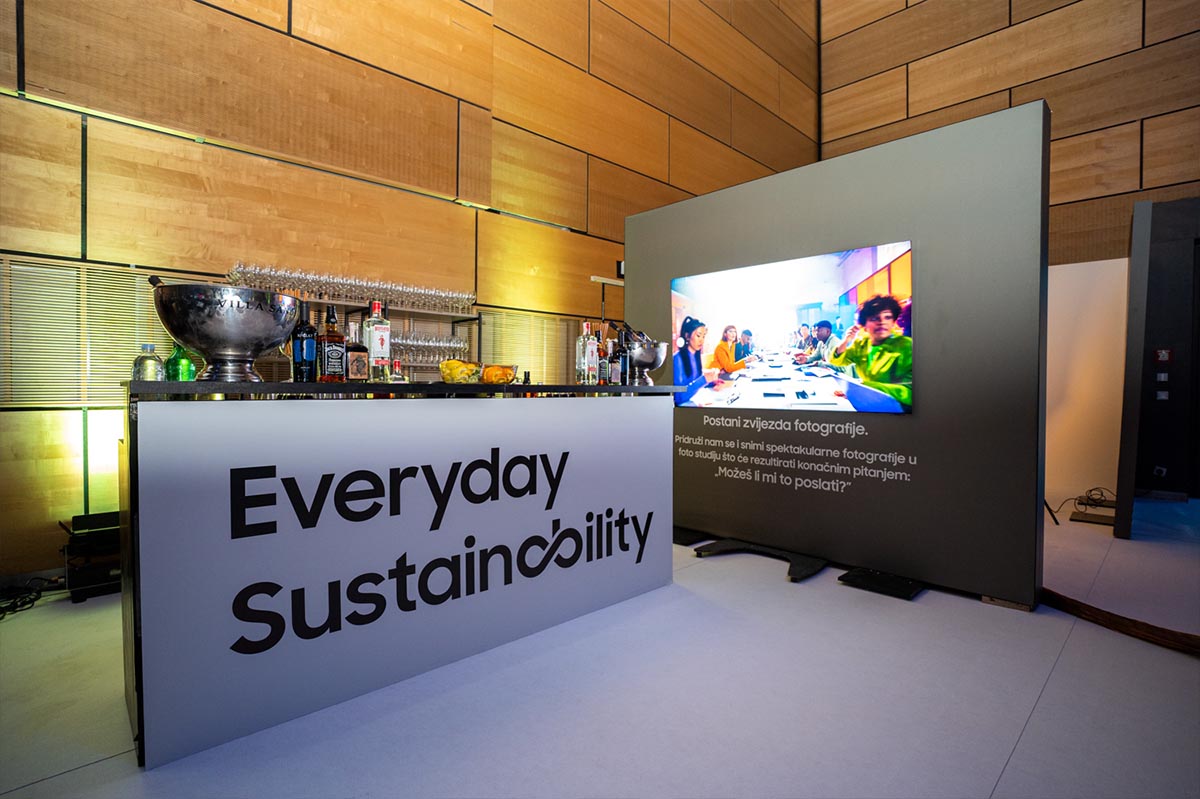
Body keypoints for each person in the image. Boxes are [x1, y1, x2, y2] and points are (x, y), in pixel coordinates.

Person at [829, 295, 913, 410]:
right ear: (864, 325)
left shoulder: (906, 345)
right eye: (874, 318)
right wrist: (846, 340)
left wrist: (862, 388)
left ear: (893, 321)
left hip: (898, 409)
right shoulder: (861, 343)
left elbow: (910, 391)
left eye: (887, 317)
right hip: (866, 403)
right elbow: (838, 361)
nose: (882, 322)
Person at [673, 316, 721, 405]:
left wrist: (711, 382)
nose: (701, 340)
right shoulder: (677, 359)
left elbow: (694, 382)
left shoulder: (695, 356)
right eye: (698, 336)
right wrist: (704, 380)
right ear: (687, 336)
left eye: (703, 336)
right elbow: (678, 397)